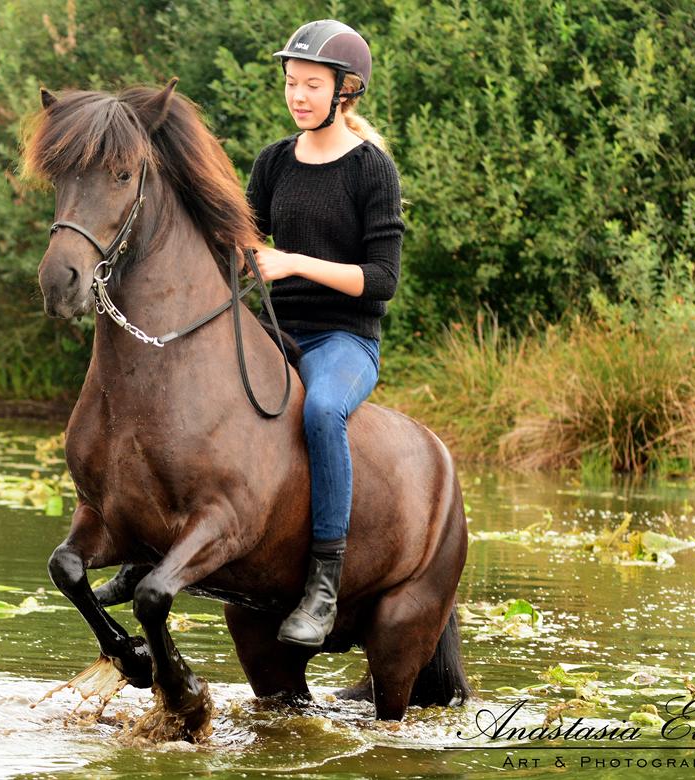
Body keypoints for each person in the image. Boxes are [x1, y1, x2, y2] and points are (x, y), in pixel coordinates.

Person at [245, 19, 405, 647]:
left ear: (346, 92)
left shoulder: (372, 171)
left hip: (345, 339)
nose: (297, 96)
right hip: (278, 328)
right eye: (291, 84)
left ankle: (323, 584)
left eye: (311, 85)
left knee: (323, 411)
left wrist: (293, 262)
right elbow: (247, 237)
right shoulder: (273, 162)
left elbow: (382, 279)